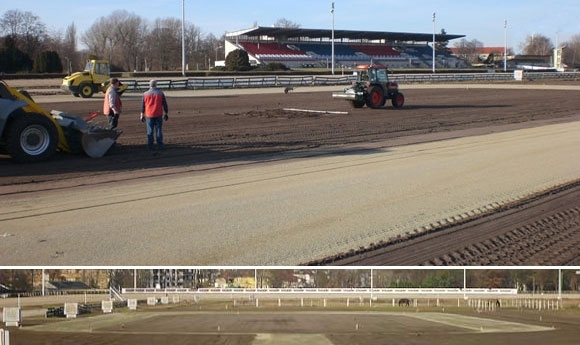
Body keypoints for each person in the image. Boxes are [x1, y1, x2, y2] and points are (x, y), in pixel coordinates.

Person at [140, 79, 169, 150]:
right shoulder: (160, 93)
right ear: (156, 85)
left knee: (150, 130)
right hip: (158, 113)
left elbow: (142, 106)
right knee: (159, 129)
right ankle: (160, 145)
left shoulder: (145, 94)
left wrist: (141, 115)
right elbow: (164, 104)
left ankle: (150, 146)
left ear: (149, 85)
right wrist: (166, 113)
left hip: (149, 114)